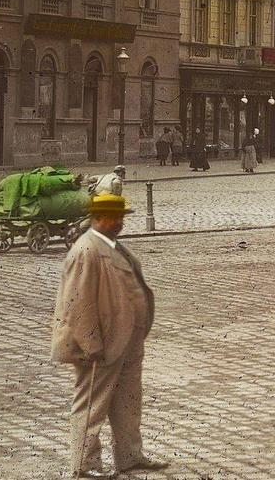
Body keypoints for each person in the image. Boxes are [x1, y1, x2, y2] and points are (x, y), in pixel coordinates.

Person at [50, 193, 166, 478]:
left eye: (121, 217)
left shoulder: (113, 245)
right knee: (92, 406)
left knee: (128, 401)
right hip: (100, 345)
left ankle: (129, 456)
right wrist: (91, 345)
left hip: (126, 340)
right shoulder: (86, 250)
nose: (119, 223)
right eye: (114, 217)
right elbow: (77, 304)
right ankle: (84, 466)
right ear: (97, 218)